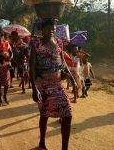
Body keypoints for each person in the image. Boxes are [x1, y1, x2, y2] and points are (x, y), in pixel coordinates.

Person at [30, 20, 72, 150]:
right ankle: (42, 142)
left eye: (53, 29)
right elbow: (31, 68)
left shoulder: (59, 43)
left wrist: (72, 79)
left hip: (58, 84)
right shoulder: (36, 45)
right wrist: (34, 89)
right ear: (42, 30)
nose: (51, 32)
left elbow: (63, 61)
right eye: (48, 29)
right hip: (43, 84)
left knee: (68, 114)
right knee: (45, 114)